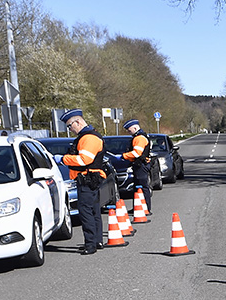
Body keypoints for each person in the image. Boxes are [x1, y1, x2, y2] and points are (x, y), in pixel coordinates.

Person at [57, 109, 108, 255]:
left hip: (87, 179)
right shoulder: (87, 136)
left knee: (86, 211)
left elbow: (84, 160)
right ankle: (97, 241)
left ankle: (90, 244)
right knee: (93, 210)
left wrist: (62, 159)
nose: (70, 129)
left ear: (77, 122)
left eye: (69, 126)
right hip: (90, 178)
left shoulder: (88, 138)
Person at [120, 118, 154, 214]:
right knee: (137, 187)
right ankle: (138, 207)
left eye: (129, 130)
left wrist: (124, 156)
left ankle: (145, 208)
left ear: (135, 128)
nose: (128, 132)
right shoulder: (140, 137)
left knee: (142, 187)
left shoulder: (139, 138)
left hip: (141, 165)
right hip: (140, 164)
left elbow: (137, 153)